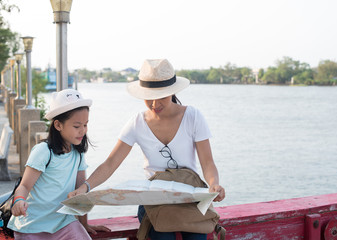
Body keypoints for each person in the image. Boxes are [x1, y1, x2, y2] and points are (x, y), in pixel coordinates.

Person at [69, 59, 225, 240]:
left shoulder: (193, 117)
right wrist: (84, 188)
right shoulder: (137, 122)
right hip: (154, 201)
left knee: (198, 237)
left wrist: (214, 184)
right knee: (162, 236)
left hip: (189, 199)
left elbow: (208, 163)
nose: (154, 104)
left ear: (172, 92)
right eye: (149, 98)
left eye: (162, 97)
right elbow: (111, 163)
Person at [8, 89, 110, 239]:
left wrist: (84, 225)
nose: (82, 131)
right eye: (76, 126)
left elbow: (80, 193)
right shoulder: (43, 151)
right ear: (58, 125)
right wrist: (19, 201)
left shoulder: (78, 153)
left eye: (85, 125)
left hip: (63, 223)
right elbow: (24, 186)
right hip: (31, 225)